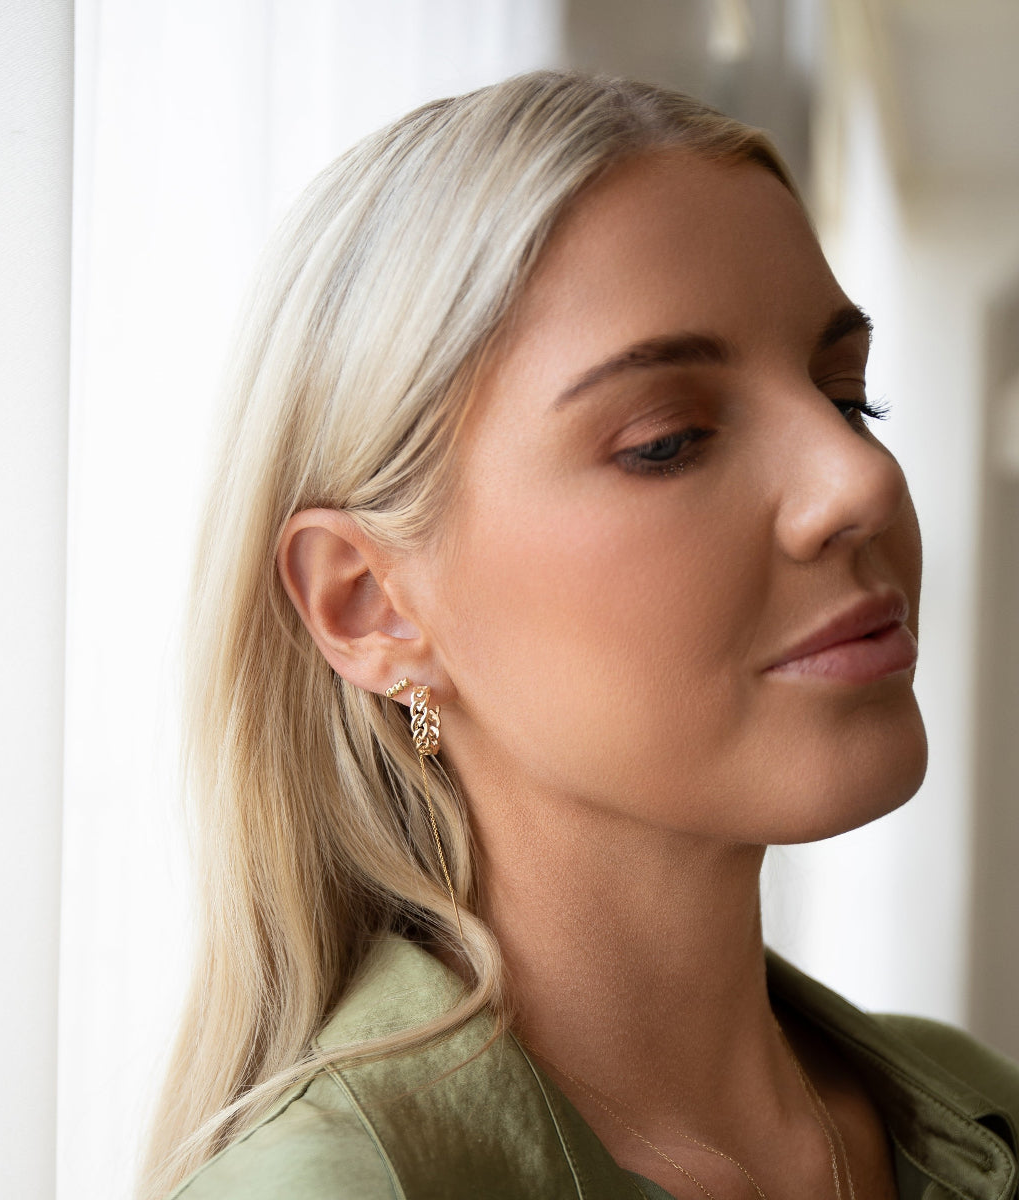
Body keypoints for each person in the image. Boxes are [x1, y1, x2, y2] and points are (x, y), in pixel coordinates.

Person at [136, 71, 1019, 1200]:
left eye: (848, 397)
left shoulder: (984, 1104)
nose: (857, 480)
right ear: (370, 604)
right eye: (669, 440)